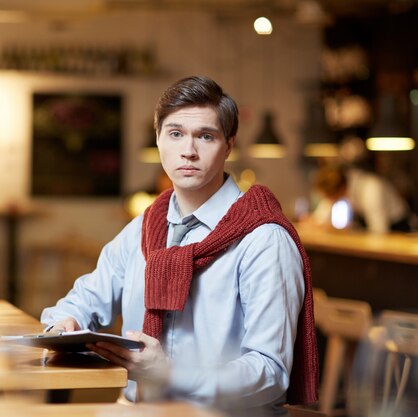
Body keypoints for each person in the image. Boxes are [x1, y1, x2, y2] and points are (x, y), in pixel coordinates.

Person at [41, 76, 318, 416]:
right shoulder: (145, 228)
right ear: (158, 140)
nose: (188, 150)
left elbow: (270, 373)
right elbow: (83, 299)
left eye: (206, 135)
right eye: (175, 134)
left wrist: (170, 373)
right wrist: (64, 324)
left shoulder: (264, 240)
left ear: (229, 145)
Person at [311, 164, 411, 233]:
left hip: (398, 228)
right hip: (374, 226)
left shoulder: (371, 188)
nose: (328, 200)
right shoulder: (343, 186)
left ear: (340, 189)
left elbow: (379, 229)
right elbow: (321, 215)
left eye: (329, 197)